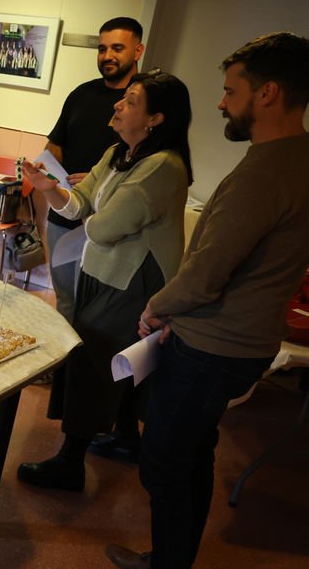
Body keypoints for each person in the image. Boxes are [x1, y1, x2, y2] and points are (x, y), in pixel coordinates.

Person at [106, 33, 309, 569]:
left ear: (266, 94)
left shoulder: (265, 172)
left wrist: (157, 308)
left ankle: (167, 565)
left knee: (166, 463)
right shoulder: (299, 159)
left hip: (213, 347)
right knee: (191, 453)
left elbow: (207, 272)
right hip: (248, 342)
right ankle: (170, 558)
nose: (220, 102)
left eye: (229, 91)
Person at [17, 70, 193, 493]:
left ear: (155, 118)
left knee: (95, 359)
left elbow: (102, 228)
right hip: (105, 271)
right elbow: (78, 206)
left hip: (134, 278)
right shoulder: (120, 152)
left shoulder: (163, 167)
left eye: (131, 101)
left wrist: (90, 215)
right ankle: (127, 438)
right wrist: (49, 186)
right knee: (123, 359)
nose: (117, 105)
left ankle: (70, 463)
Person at [44, 17, 145, 329]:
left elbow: (147, 160)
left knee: (100, 306)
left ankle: (87, 372)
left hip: (112, 224)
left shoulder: (146, 100)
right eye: (102, 49)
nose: (107, 56)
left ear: (138, 50)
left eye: (117, 48)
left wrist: (96, 178)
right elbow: (55, 144)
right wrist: (47, 172)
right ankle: (62, 371)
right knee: (65, 298)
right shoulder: (81, 94)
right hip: (65, 214)